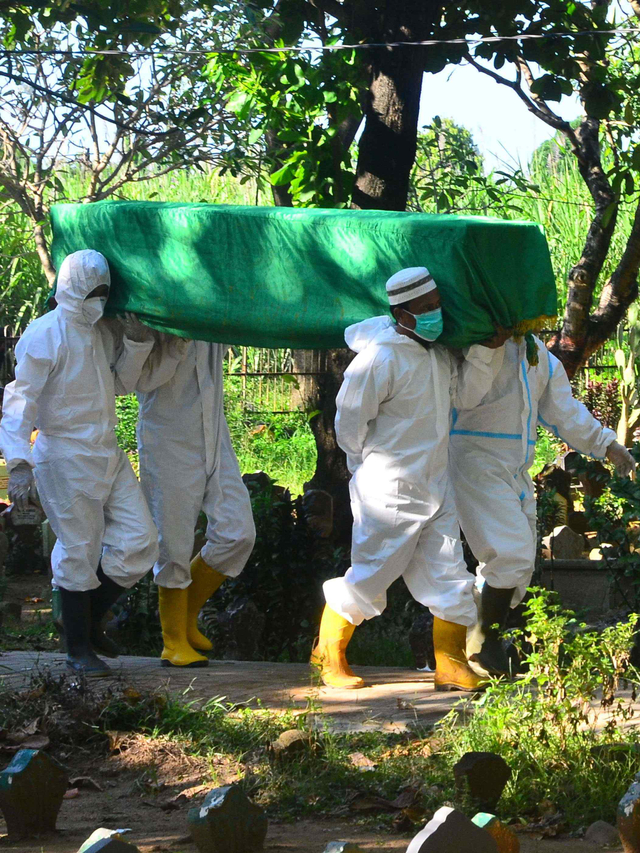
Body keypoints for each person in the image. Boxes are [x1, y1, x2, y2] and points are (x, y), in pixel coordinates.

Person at [312, 266, 507, 692]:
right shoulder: (381, 356)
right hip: (389, 491)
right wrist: (367, 466)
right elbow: (348, 422)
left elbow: (465, 397)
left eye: (438, 304)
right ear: (403, 314)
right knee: (371, 576)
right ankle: (327, 656)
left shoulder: (437, 355)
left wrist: (488, 351)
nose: (437, 313)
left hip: (436, 485)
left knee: (450, 575)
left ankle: (451, 664)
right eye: (427, 308)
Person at [0, 249, 159, 676]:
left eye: (105, 292)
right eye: (93, 291)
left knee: (141, 542)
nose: (99, 299)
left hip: (107, 451)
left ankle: (85, 621)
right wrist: (18, 463)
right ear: (71, 287)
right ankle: (77, 648)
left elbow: (121, 384)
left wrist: (138, 341)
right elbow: (20, 399)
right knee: (79, 549)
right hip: (64, 455)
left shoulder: (102, 331)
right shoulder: (44, 333)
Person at [450, 334, 636, 677]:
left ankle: (476, 639)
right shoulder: (477, 339)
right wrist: (486, 347)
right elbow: (458, 394)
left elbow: (563, 411)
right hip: (474, 459)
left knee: (518, 563)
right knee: (508, 554)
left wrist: (607, 444)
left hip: (518, 466)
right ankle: (481, 644)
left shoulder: (536, 353)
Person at [132, 337, 256, 667]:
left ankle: (186, 615)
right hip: (167, 440)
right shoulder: (150, 318)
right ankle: (172, 641)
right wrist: (176, 342)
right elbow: (138, 379)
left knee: (238, 532)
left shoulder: (207, 312)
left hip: (215, 436)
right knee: (173, 542)